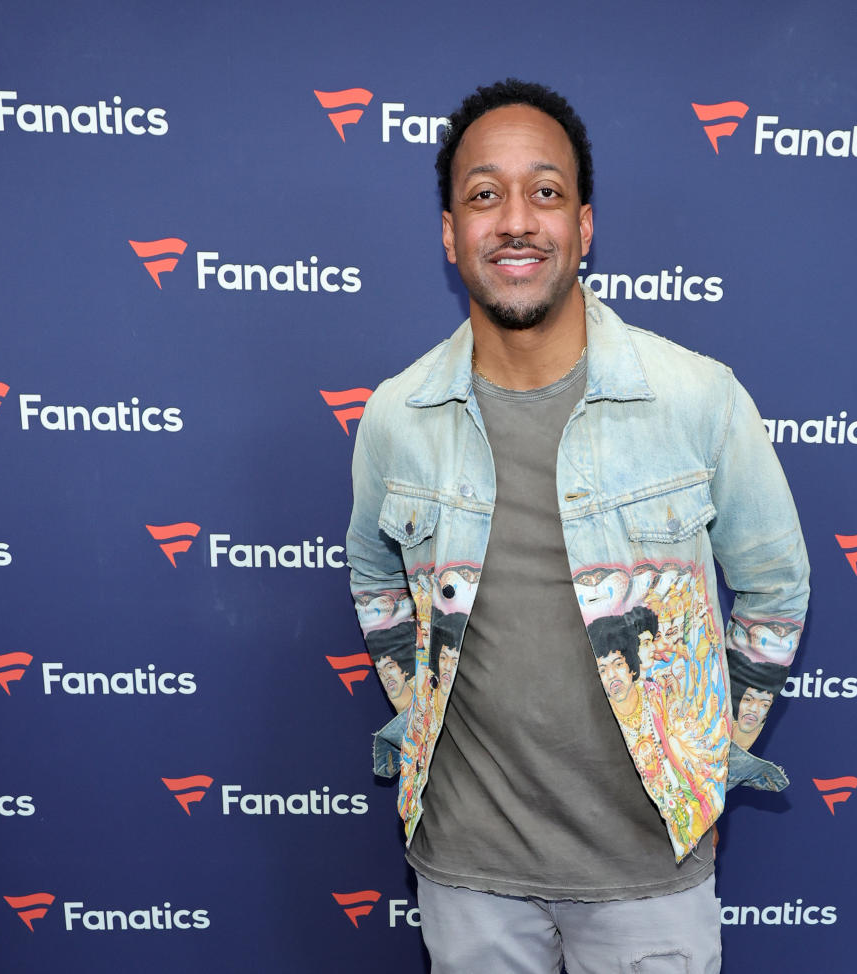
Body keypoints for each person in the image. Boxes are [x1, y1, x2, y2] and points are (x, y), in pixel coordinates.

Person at [346, 78, 809, 974]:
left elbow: (777, 590)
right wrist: (418, 712)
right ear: (451, 234)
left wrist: (702, 762)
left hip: (650, 872)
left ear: (584, 227)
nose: (515, 219)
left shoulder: (698, 399)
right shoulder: (397, 416)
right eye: (484, 194)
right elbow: (374, 581)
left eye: (544, 192)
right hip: (466, 874)